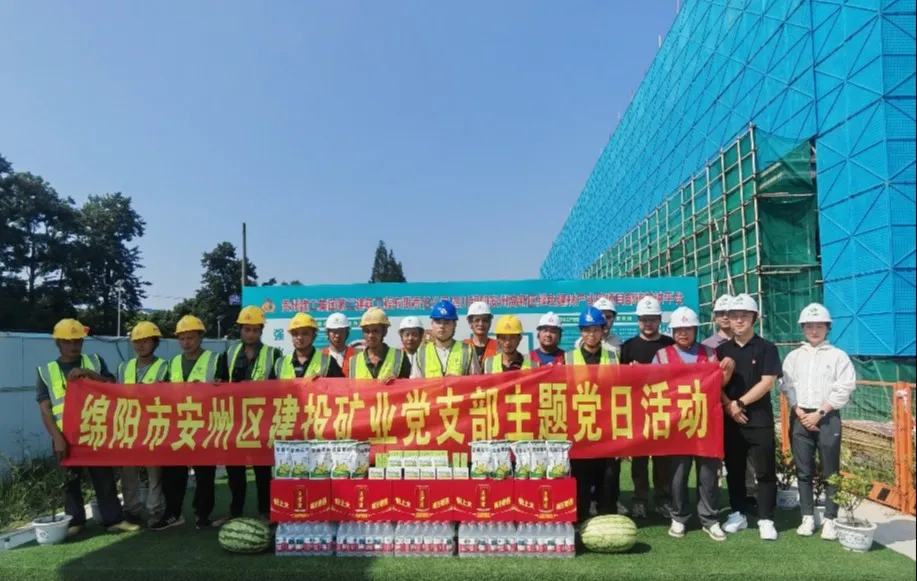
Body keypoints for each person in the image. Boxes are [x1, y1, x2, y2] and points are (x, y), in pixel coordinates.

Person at [36, 319, 140, 537]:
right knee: (70, 481)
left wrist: (91, 375)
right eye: (67, 342)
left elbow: (113, 388)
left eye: (77, 341)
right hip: (65, 436)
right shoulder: (46, 371)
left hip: (96, 432)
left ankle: (114, 520)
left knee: (104, 478)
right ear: (58, 343)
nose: (73, 346)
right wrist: (57, 438)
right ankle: (75, 521)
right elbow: (45, 410)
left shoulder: (94, 361)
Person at [654, 307, 734, 542]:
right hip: (677, 424)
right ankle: (679, 517)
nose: (683, 333)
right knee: (677, 474)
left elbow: (717, 385)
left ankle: (710, 518)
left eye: (687, 329)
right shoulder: (662, 355)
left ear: (695, 330)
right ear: (672, 331)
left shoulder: (710, 353)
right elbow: (651, 385)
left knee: (708, 473)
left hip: (705, 422)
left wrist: (727, 373)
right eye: (678, 329)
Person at [780, 303, 856, 541]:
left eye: (819, 326)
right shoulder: (794, 356)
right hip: (800, 415)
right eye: (809, 326)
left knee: (830, 471)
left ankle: (830, 519)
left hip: (828, 417)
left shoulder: (838, 356)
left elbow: (844, 387)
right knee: (803, 470)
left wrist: (820, 413)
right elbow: (787, 385)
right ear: (803, 328)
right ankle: (807, 517)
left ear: (827, 328)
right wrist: (799, 411)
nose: (814, 330)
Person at [716, 293, 782, 541]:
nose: (739, 320)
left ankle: (766, 518)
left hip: (759, 419)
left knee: (764, 471)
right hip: (731, 420)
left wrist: (740, 403)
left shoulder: (767, 348)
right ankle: (738, 513)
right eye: (734, 316)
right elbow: (714, 384)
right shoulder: (721, 350)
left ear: (754, 318)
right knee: (734, 469)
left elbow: (767, 382)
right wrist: (729, 406)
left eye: (744, 316)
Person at [151, 315, 226, 531]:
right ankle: (173, 513)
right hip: (178, 425)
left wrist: (216, 385)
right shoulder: (173, 363)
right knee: (173, 473)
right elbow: (165, 390)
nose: (186, 343)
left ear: (200, 337)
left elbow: (226, 387)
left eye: (190, 337)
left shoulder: (215, 359)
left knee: (205, 474)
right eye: (182, 338)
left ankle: (203, 515)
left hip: (205, 424)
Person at [224, 306, 282, 523]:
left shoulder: (273, 354)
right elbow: (220, 382)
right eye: (246, 329)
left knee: (262, 470)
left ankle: (266, 510)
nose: (250, 334)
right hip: (235, 421)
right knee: (235, 470)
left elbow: (280, 386)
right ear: (240, 330)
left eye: (255, 330)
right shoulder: (229, 354)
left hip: (262, 421)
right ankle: (235, 511)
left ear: (261, 331)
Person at [620, 295, 676, 519]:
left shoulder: (670, 344)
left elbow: (678, 375)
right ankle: (640, 500)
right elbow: (620, 381)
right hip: (638, 410)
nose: (648, 323)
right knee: (639, 460)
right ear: (638, 321)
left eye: (652, 319)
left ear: (660, 320)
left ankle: (663, 499)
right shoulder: (628, 347)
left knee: (663, 459)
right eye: (644, 319)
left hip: (664, 408)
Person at [566, 306, 621, 523]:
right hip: (580, 429)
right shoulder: (568, 358)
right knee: (580, 478)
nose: (591, 334)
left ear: (603, 331)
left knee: (608, 478)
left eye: (596, 329)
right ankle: (580, 519)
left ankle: (607, 519)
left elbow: (622, 390)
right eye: (587, 330)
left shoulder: (613, 356)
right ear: (581, 332)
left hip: (607, 428)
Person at [704, 294, 759, 508]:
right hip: (718, 408)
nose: (726, 318)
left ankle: (749, 494)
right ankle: (717, 495)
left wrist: (738, 404)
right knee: (718, 455)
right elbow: (708, 381)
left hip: (745, 409)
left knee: (747, 457)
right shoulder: (709, 347)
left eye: (731, 314)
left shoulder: (749, 342)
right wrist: (727, 404)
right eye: (721, 314)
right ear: (715, 317)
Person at [118, 321, 169, 523]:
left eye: (145, 341)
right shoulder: (124, 367)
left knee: (154, 472)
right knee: (128, 472)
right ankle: (131, 509)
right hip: (128, 427)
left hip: (153, 427)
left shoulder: (164, 366)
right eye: (136, 341)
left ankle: (155, 510)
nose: (140, 345)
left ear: (155, 343)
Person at [416, 299, 481, 376]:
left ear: (454, 324)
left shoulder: (467, 350)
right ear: (432, 324)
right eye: (438, 322)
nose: (442, 326)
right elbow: (414, 382)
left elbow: (476, 381)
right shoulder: (421, 352)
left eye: (446, 322)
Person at [274, 313, 344, 378]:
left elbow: (341, 385)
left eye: (305, 333)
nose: (299, 337)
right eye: (295, 333)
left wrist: (323, 382)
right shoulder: (280, 363)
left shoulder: (328, 362)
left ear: (314, 336)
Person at [350, 308, 412, 380]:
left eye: (375, 331)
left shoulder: (400, 357)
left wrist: (398, 382)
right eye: (367, 331)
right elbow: (350, 386)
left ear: (385, 332)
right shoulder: (354, 362)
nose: (370, 335)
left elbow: (409, 385)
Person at [464, 301, 499, 369]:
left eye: (485, 320)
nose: (481, 324)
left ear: (490, 323)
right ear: (470, 323)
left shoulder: (499, 347)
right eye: (477, 320)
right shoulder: (463, 347)